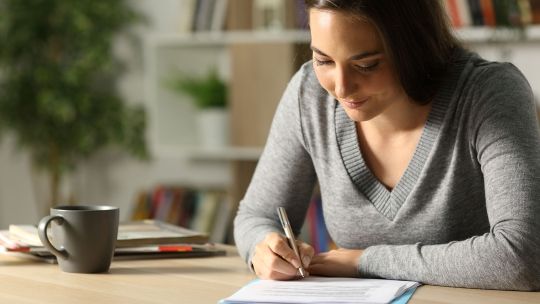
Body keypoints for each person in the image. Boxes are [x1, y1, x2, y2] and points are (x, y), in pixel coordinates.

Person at [233, 0, 540, 291]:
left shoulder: (488, 94)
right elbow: (257, 216)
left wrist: (362, 261)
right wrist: (265, 247)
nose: (340, 88)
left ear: (414, 47)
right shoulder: (310, 96)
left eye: (366, 65)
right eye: (323, 60)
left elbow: (523, 256)